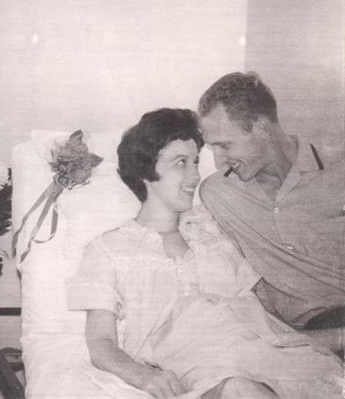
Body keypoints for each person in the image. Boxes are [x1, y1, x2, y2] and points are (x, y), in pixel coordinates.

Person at [67, 108, 342, 399]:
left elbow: (263, 310)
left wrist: (333, 335)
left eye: (196, 162)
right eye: (181, 163)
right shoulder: (110, 250)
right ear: (145, 171)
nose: (195, 176)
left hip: (267, 353)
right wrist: (143, 376)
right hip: (207, 368)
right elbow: (101, 342)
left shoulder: (210, 233)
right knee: (241, 390)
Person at [197, 72, 345, 354]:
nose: (218, 162)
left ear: (262, 128)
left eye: (225, 145)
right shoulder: (219, 193)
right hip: (304, 335)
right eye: (212, 147)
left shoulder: (338, 172)